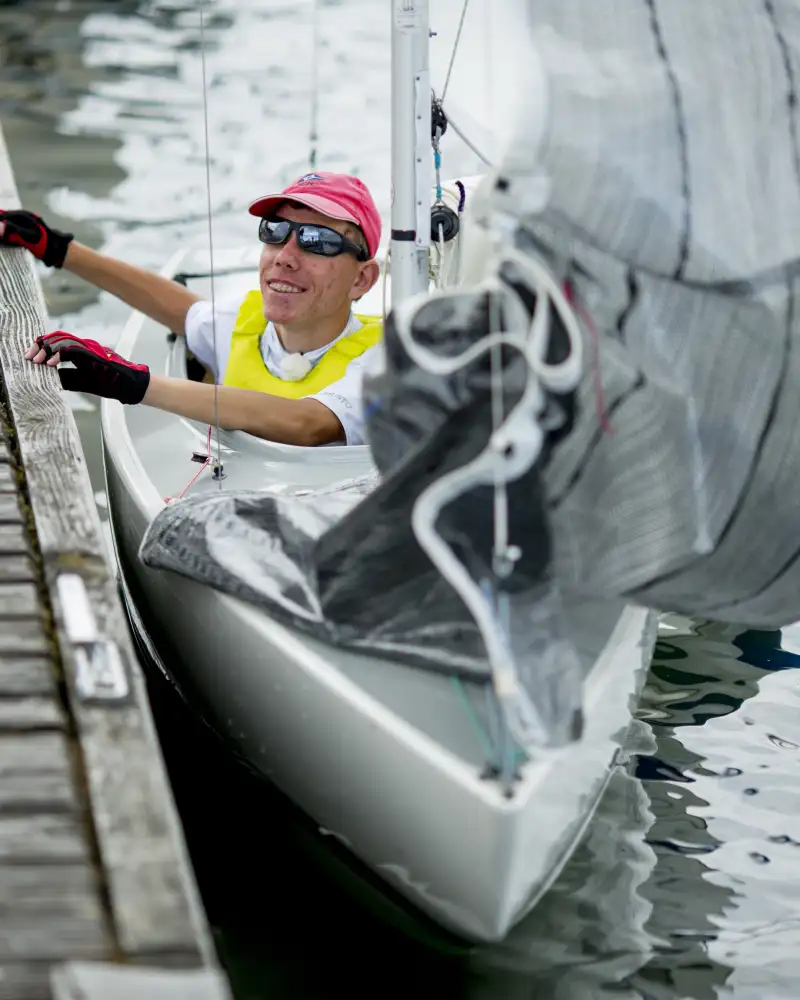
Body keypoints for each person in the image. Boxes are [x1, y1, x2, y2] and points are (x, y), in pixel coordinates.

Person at [0, 171, 383, 446]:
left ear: (362, 279)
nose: (285, 256)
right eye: (275, 231)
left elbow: (309, 424)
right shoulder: (243, 321)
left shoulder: (388, 361)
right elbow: (177, 308)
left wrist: (134, 382)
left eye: (317, 241)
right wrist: (57, 248)